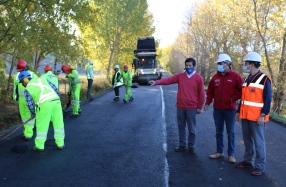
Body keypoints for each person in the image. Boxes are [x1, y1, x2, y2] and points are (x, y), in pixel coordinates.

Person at [149, 58, 205, 155]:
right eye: (186, 65)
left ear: (194, 66)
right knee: (181, 127)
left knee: (192, 128)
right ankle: (182, 145)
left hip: (192, 107)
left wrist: (199, 107)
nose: (188, 67)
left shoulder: (199, 78)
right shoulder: (180, 76)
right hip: (180, 106)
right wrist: (156, 82)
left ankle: (191, 146)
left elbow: (202, 94)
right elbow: (169, 80)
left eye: (190, 66)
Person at [234, 52, 272, 176]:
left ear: (252, 64)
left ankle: (260, 166)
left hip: (257, 117)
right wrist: (238, 111)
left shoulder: (264, 79)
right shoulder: (246, 79)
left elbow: (268, 99)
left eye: (246, 63)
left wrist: (263, 115)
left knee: (259, 142)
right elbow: (243, 98)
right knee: (247, 140)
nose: (245, 65)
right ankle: (247, 161)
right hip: (245, 116)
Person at [204, 54, 243, 163]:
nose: (220, 66)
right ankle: (219, 152)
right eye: (218, 64)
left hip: (230, 109)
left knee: (231, 132)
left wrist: (233, 98)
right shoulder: (215, 77)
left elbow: (242, 91)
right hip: (217, 109)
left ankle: (231, 154)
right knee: (218, 131)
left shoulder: (236, 77)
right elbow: (210, 91)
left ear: (228, 64)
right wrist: (207, 103)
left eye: (221, 64)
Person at [18, 70, 65, 151]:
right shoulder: (42, 79)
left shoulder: (28, 88)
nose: (23, 84)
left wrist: (33, 113)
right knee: (59, 124)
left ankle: (39, 146)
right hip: (56, 102)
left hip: (45, 105)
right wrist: (55, 99)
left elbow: (30, 104)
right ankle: (60, 144)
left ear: (24, 80)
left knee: (42, 125)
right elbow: (54, 88)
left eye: (22, 82)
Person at [12, 59, 38, 141]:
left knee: (29, 116)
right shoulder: (17, 75)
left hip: (29, 100)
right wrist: (15, 97)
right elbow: (15, 88)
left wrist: (36, 100)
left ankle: (28, 134)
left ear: (25, 67)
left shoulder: (33, 75)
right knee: (24, 116)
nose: (20, 71)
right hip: (21, 101)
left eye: (21, 69)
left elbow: (37, 88)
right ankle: (27, 130)